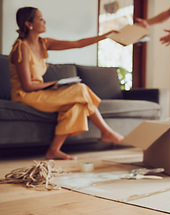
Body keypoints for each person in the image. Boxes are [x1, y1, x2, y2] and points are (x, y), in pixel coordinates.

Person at [9, 7, 124, 160]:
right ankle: (106, 131)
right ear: (29, 24)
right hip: (26, 95)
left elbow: (77, 43)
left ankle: (53, 151)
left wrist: (104, 36)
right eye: (40, 19)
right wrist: (55, 84)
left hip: (41, 93)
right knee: (80, 89)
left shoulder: (44, 43)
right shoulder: (20, 48)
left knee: (77, 105)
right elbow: (27, 86)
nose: (44, 21)